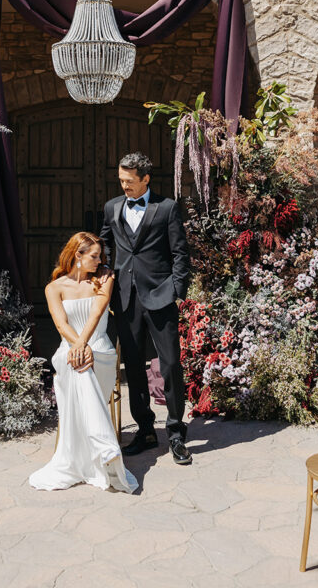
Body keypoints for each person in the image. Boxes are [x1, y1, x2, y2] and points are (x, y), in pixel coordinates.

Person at [100, 151, 192, 465]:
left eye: (129, 181)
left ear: (145, 179)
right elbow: (104, 242)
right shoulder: (112, 207)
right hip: (126, 299)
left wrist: (177, 292)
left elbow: (181, 253)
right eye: (121, 180)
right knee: (135, 367)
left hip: (161, 296)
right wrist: (102, 274)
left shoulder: (166, 209)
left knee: (169, 365)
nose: (123, 185)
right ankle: (145, 429)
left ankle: (177, 432)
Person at [28, 231, 138, 494]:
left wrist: (83, 344)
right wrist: (77, 346)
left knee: (83, 363)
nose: (99, 261)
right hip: (69, 348)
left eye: (100, 256)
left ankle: (103, 447)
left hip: (99, 347)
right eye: (94, 256)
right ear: (77, 255)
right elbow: (60, 323)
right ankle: (106, 448)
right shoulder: (54, 288)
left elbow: (97, 312)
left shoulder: (104, 279)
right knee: (76, 364)